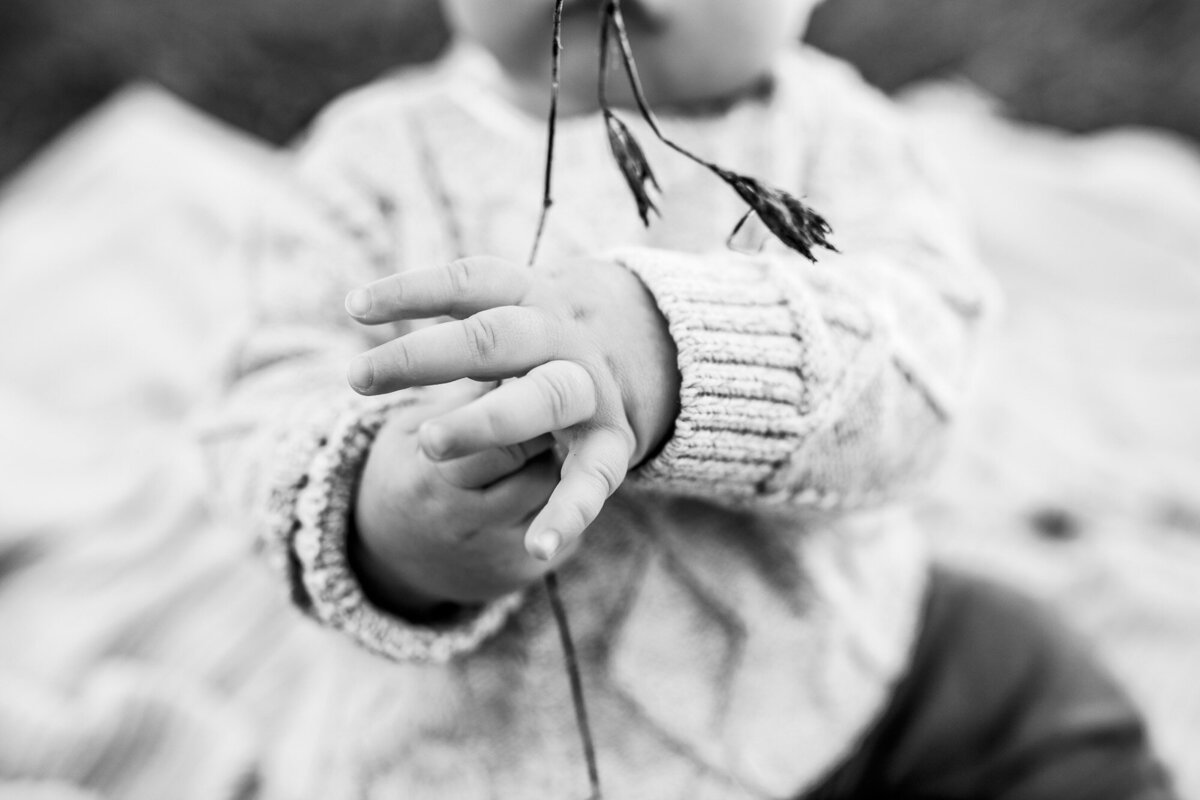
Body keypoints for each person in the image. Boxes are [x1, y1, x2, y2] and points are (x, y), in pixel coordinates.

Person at [213, 0, 1178, 796]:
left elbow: (927, 375)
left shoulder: (836, 139)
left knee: (1028, 669)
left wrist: (672, 352)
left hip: (848, 678)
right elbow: (263, 416)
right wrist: (388, 515)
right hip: (488, 761)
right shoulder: (367, 164)